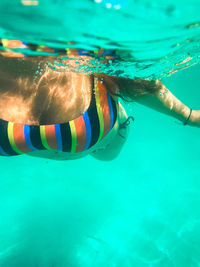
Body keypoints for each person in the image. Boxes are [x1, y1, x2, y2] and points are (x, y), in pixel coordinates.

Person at [0, 42, 200, 161]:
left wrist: (187, 115)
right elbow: (139, 80)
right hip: (89, 131)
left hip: (102, 139)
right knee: (105, 154)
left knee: (106, 156)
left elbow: (136, 79)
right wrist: (188, 115)